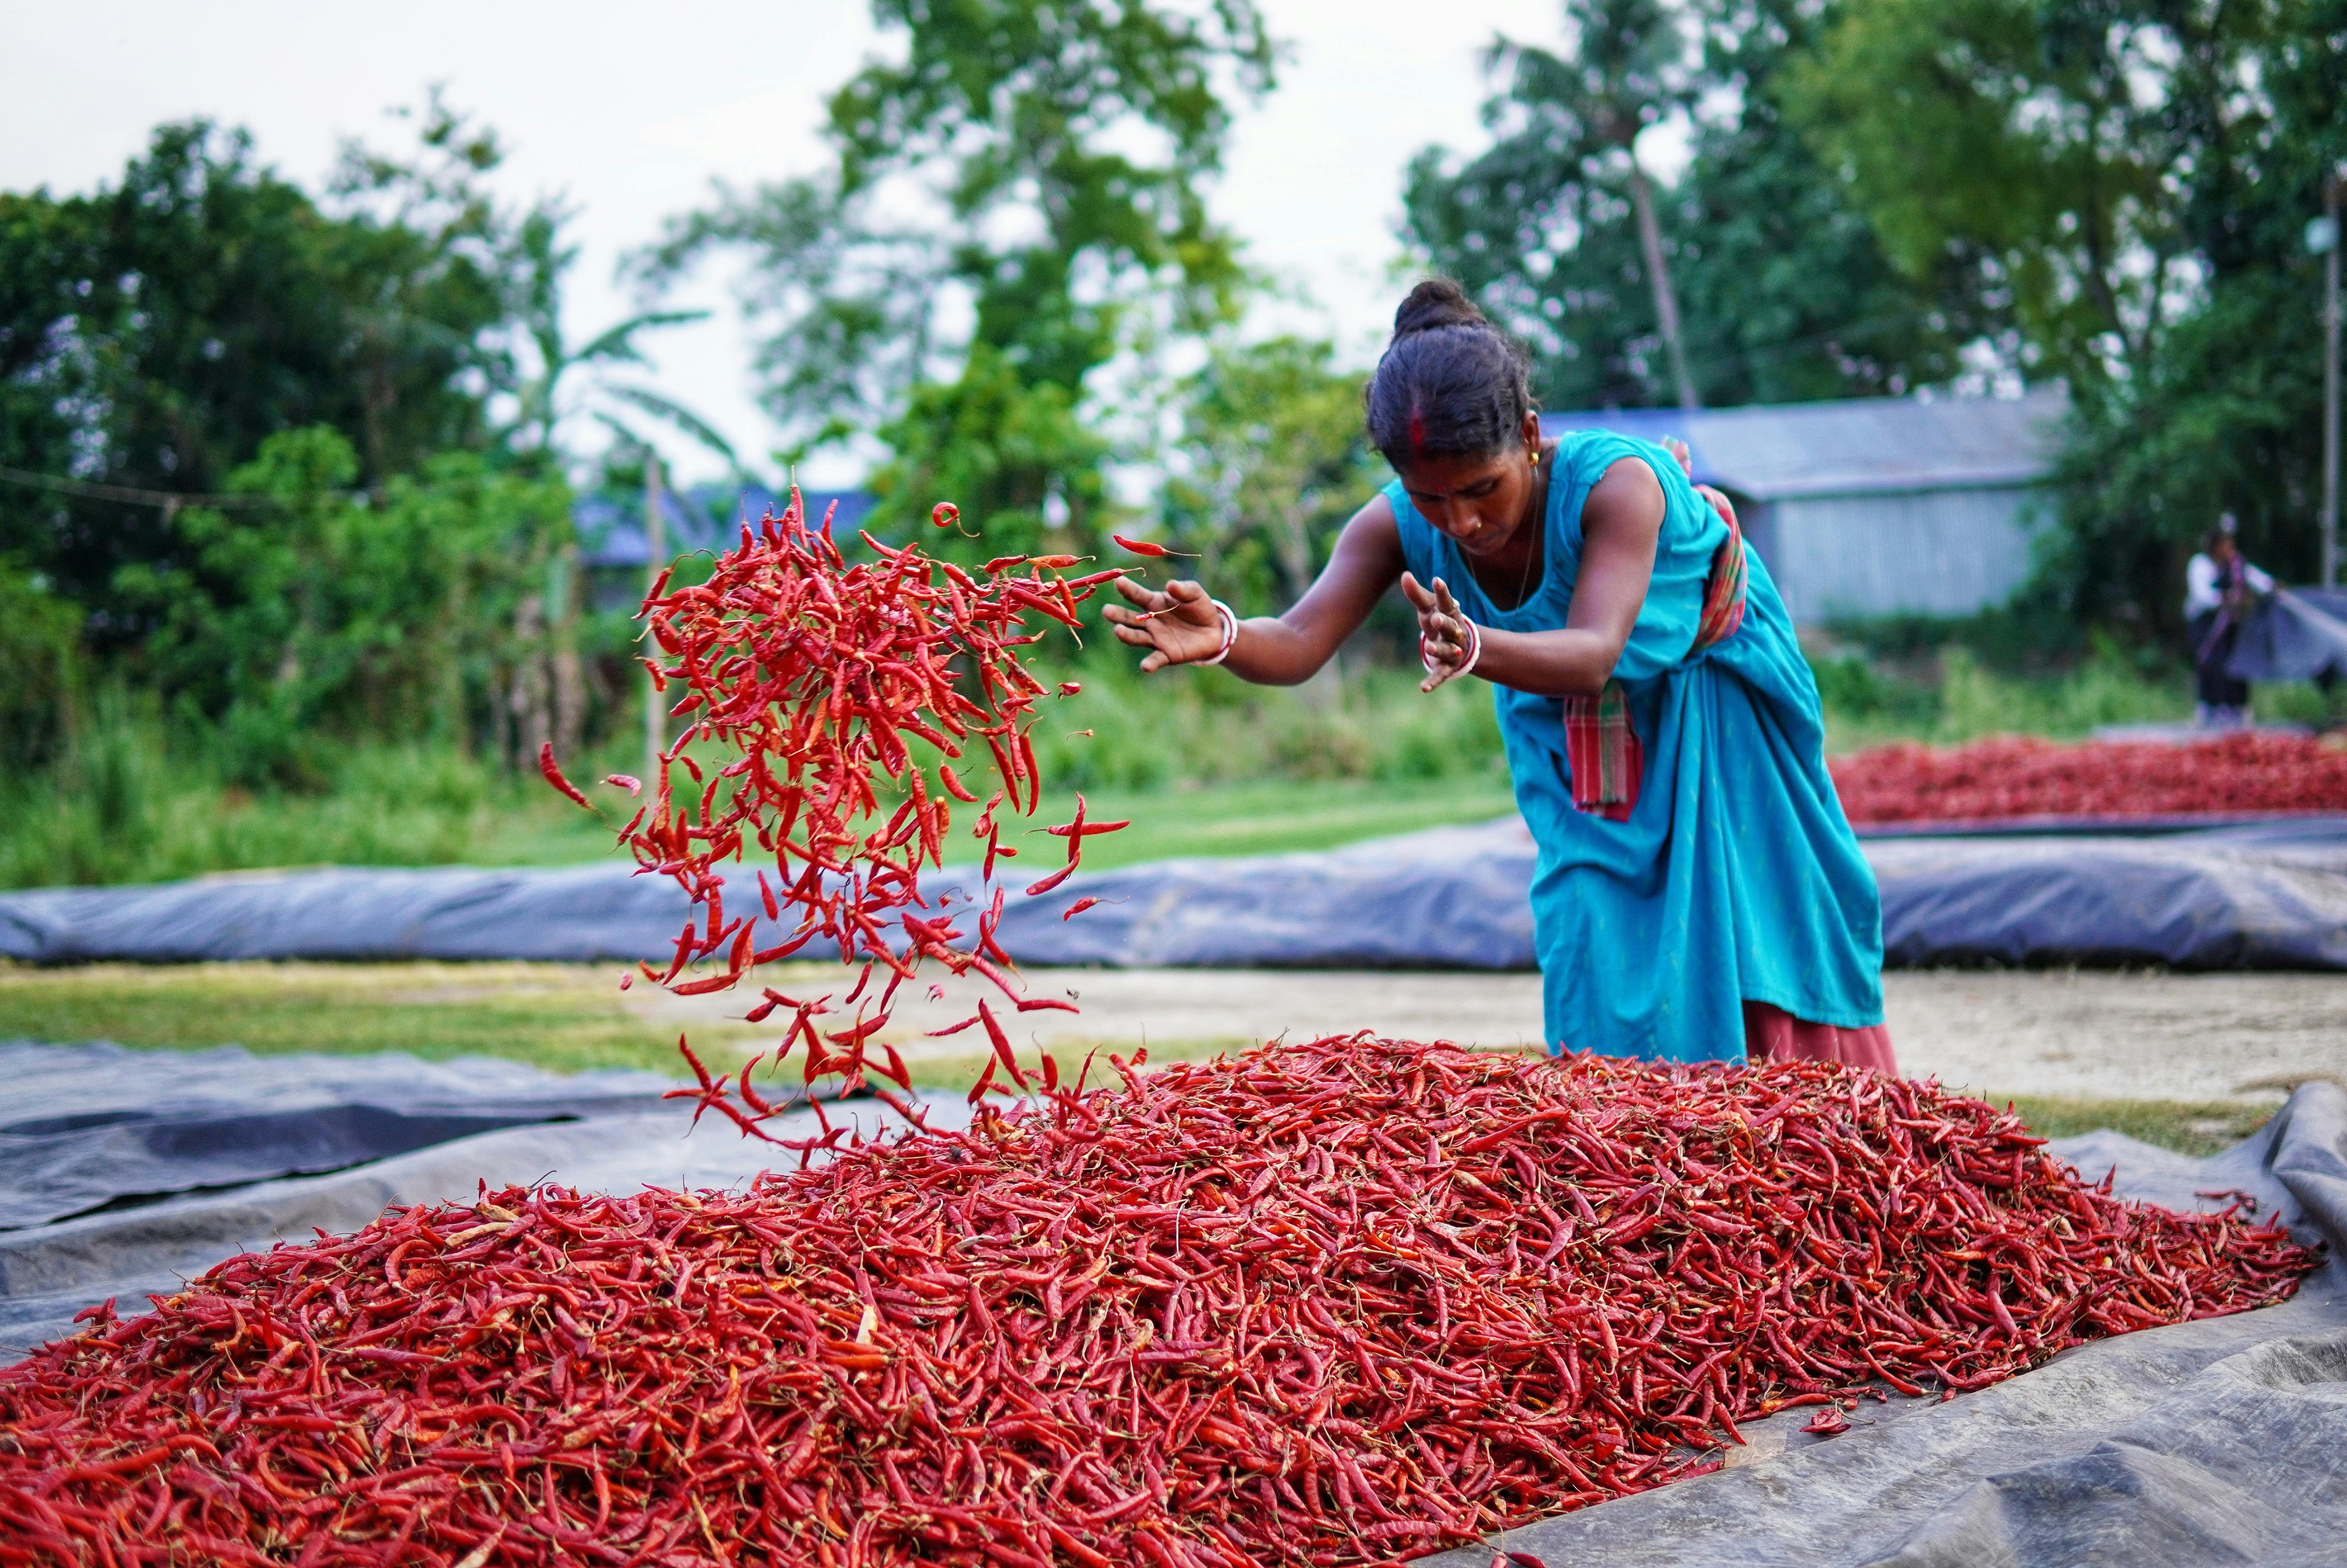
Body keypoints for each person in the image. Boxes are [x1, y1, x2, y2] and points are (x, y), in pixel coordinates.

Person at [1105, 280, 1895, 1070]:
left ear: (1528, 434)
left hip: (1714, 702)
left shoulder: (1619, 485)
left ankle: (1793, 1136)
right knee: (1589, 920)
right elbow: (1303, 639)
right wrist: (1226, 635)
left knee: (1748, 916)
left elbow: (1591, 652)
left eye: (1483, 488)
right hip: (1567, 730)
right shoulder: (1394, 521)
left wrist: (1477, 647)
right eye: (1431, 497)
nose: (1461, 523)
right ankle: (1635, 1159)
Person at [2183, 516, 2273, 728]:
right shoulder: (2200, 565)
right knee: (2210, 663)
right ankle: (2208, 708)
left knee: (2233, 663)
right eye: (2226, 544)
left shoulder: (2235, 566)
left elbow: (2258, 580)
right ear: (2215, 546)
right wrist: (2233, 598)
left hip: (2229, 625)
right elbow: (2203, 597)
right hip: (2205, 624)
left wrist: (2272, 588)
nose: (2230, 549)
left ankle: (2236, 708)